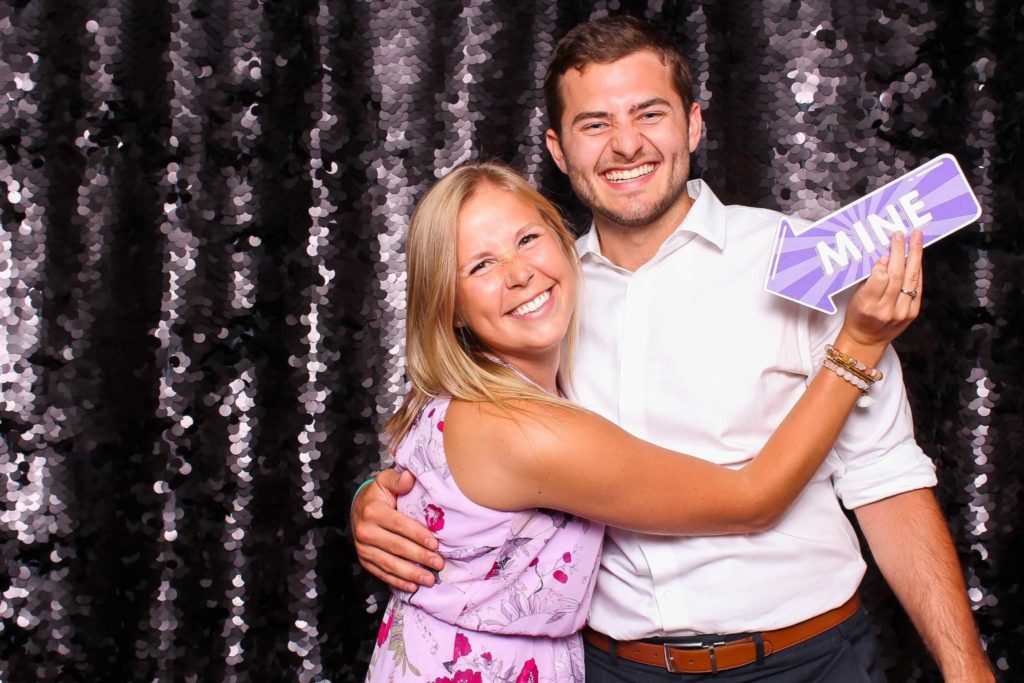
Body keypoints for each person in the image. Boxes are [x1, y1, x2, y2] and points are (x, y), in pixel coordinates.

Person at [355, 15, 993, 682]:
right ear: (558, 147)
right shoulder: (537, 300)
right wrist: (376, 496)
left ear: (693, 123)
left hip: (807, 660)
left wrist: (967, 666)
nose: (625, 144)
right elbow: (450, 441)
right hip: (612, 668)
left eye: (649, 114)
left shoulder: (805, 259)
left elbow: (885, 477)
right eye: (595, 123)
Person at [364, 159, 920, 681]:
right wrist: (858, 345)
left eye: (527, 240)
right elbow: (753, 498)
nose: (519, 274)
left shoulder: (466, 391)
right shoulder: (524, 427)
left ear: (564, 243)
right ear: (449, 303)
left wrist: (368, 495)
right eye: (480, 265)